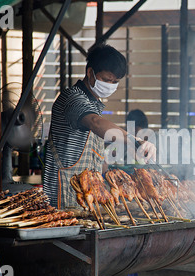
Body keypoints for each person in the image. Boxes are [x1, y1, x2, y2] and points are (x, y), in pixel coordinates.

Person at [43, 44, 156, 209]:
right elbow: (95, 123)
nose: (110, 85)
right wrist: (134, 140)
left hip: (89, 196)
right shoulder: (72, 98)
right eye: (106, 79)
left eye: (115, 82)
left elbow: (97, 158)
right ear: (90, 73)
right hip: (65, 195)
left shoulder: (94, 106)